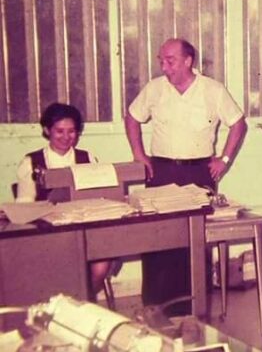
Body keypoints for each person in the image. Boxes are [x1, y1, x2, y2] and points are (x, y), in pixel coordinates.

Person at [125, 38, 247, 315]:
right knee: (156, 239)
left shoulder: (212, 90)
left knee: (192, 242)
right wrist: (138, 154)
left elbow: (238, 123)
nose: (164, 66)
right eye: (161, 61)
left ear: (188, 61)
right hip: (161, 169)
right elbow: (132, 117)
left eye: (170, 60)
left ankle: (190, 311)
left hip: (198, 172)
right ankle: (153, 308)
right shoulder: (155, 89)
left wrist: (224, 159)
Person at [15, 102, 112, 296]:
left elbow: (97, 199)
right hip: (47, 235)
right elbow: (24, 207)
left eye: (71, 131)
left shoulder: (88, 158)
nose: (66, 137)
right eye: (59, 131)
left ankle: (82, 301)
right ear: (47, 130)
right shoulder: (30, 162)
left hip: (84, 230)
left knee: (102, 265)